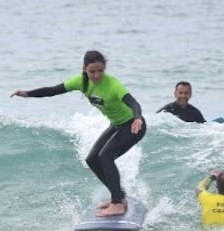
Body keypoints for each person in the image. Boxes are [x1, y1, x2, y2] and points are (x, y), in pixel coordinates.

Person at [11, 50, 146, 217]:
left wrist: (138, 117)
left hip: (133, 125)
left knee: (106, 156)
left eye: (100, 71)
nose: (96, 75)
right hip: (117, 125)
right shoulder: (81, 82)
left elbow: (133, 102)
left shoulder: (113, 84)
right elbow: (54, 90)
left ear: (105, 69)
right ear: (85, 69)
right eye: (92, 71)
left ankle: (117, 203)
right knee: (92, 160)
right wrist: (28, 94)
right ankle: (120, 197)